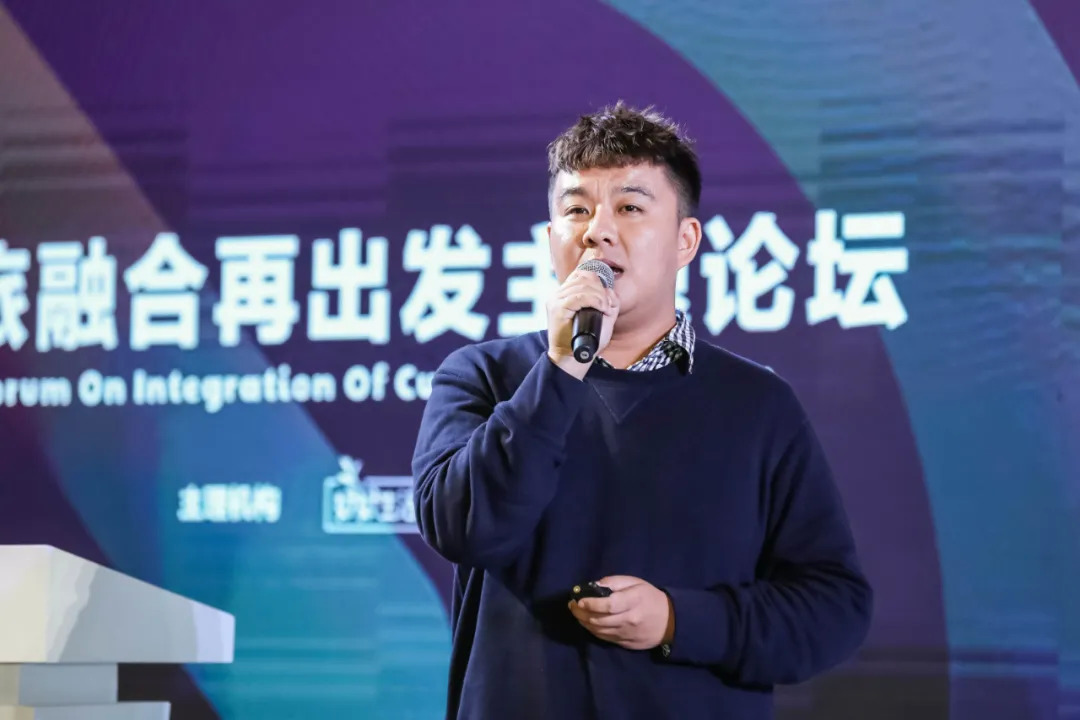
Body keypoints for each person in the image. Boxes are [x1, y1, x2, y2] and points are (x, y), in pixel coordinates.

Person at [411, 102, 872, 719]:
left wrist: (680, 620)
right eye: (576, 210)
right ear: (550, 240)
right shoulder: (483, 377)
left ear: (686, 241)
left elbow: (832, 608)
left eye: (630, 207)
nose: (597, 232)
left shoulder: (758, 404)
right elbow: (463, 528)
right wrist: (561, 368)